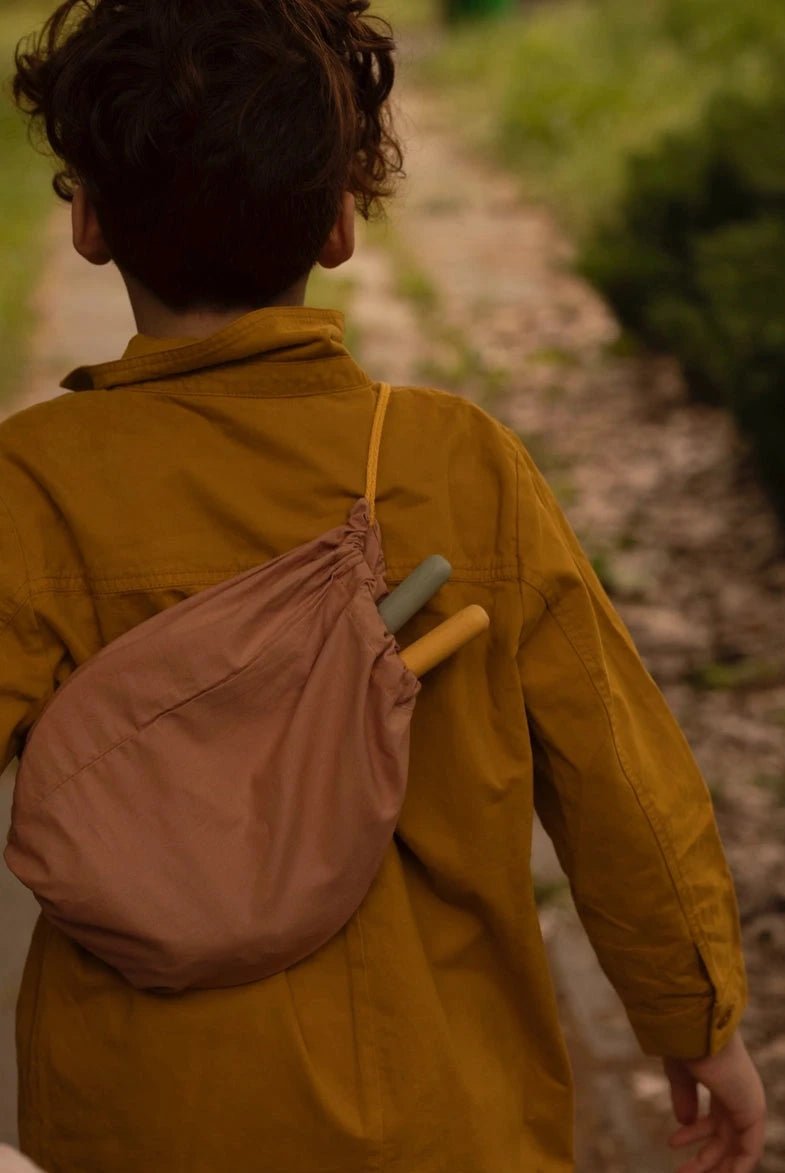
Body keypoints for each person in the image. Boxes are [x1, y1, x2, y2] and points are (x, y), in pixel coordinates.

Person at [1, 1, 766, 1171]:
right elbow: (620, 787)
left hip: (141, 1116)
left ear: (90, 223)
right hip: (445, 1111)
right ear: (340, 222)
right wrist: (694, 1021)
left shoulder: (33, 486)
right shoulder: (457, 463)